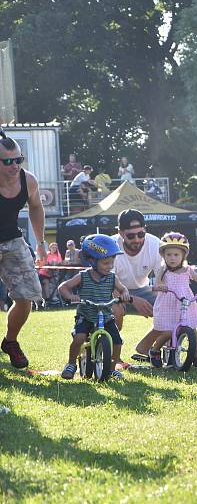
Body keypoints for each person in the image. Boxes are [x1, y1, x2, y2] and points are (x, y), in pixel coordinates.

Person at [0, 128, 47, 369]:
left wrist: (40, 244)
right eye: (8, 161)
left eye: (18, 160)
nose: (14, 165)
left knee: (27, 297)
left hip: (13, 242)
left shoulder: (28, 180)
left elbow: (36, 208)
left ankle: (10, 342)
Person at [58, 234, 131, 379]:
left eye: (111, 263)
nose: (109, 266)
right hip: (86, 315)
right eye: (105, 263)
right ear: (92, 261)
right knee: (79, 338)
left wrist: (125, 295)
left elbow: (123, 289)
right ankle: (71, 364)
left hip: (106, 316)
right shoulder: (83, 276)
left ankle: (111, 368)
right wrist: (71, 296)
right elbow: (63, 287)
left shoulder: (112, 278)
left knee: (117, 341)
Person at [148, 232, 197, 368]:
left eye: (176, 255)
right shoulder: (163, 270)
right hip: (168, 304)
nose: (172, 258)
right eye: (169, 255)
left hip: (185, 304)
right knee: (168, 331)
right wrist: (160, 286)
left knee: (192, 331)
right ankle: (154, 350)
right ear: (163, 256)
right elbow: (158, 282)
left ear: (183, 255)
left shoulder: (188, 270)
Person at [110, 209, 160, 361]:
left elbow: (163, 280)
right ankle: (114, 358)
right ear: (120, 233)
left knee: (170, 308)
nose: (137, 239)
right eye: (130, 236)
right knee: (114, 312)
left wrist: (163, 302)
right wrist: (132, 299)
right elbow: (108, 285)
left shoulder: (155, 244)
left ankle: (150, 348)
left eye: (141, 234)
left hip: (143, 290)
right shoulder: (110, 245)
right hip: (115, 292)